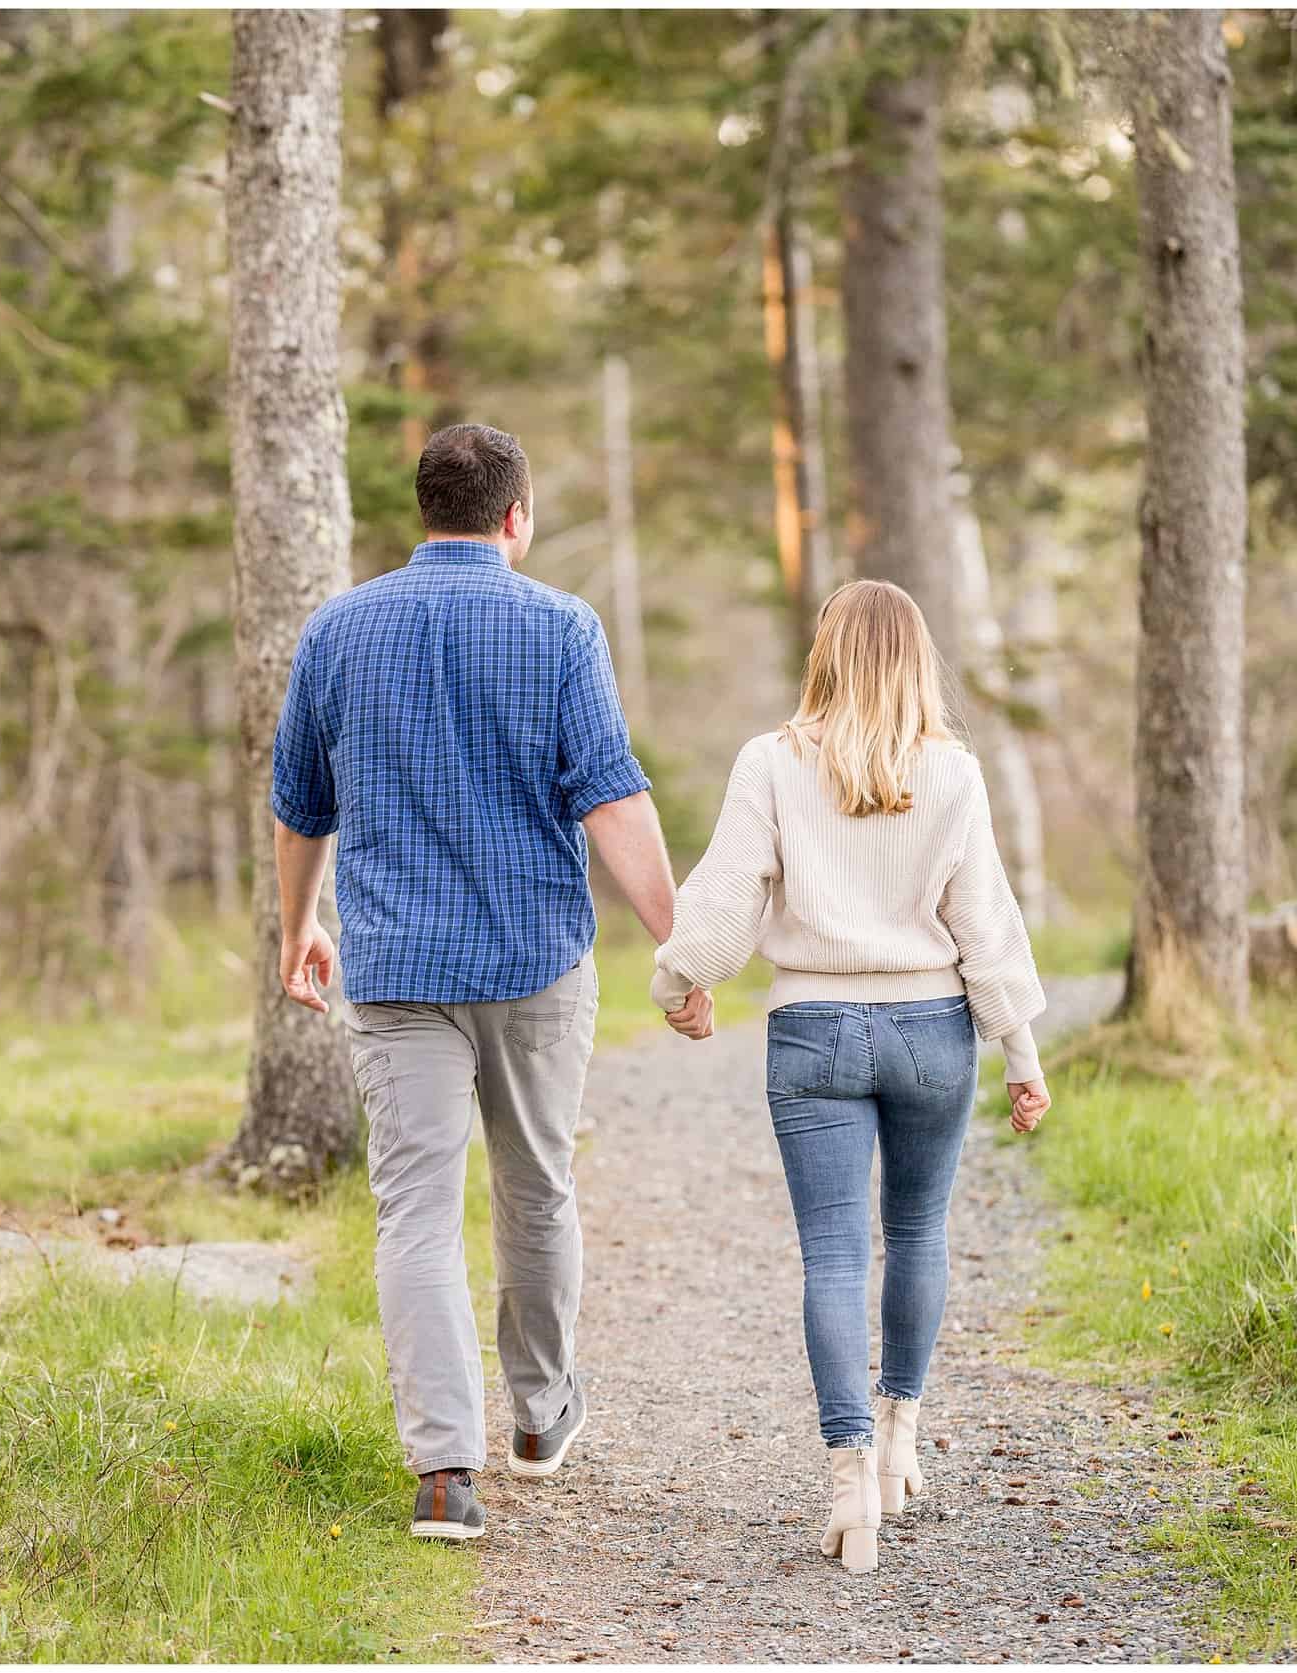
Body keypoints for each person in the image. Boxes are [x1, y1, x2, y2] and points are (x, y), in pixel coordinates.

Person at [269, 423, 678, 1542]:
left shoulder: (339, 628)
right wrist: (676, 943)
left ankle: (445, 1472)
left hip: (397, 969)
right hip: (537, 962)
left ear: (424, 511)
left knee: (413, 1210)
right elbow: (610, 794)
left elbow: (301, 804)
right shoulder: (561, 626)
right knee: (535, 1185)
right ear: (516, 517)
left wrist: (299, 928)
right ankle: (540, 1416)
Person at [651, 578, 1052, 1576]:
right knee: (917, 1232)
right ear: (916, 660)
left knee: (832, 1258)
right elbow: (984, 921)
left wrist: (680, 976)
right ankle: (902, 1433)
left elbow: (730, 890)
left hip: (813, 1025)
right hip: (931, 1028)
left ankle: (849, 1483)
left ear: (826, 652)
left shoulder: (772, 761)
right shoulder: (952, 770)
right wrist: (1022, 1054)